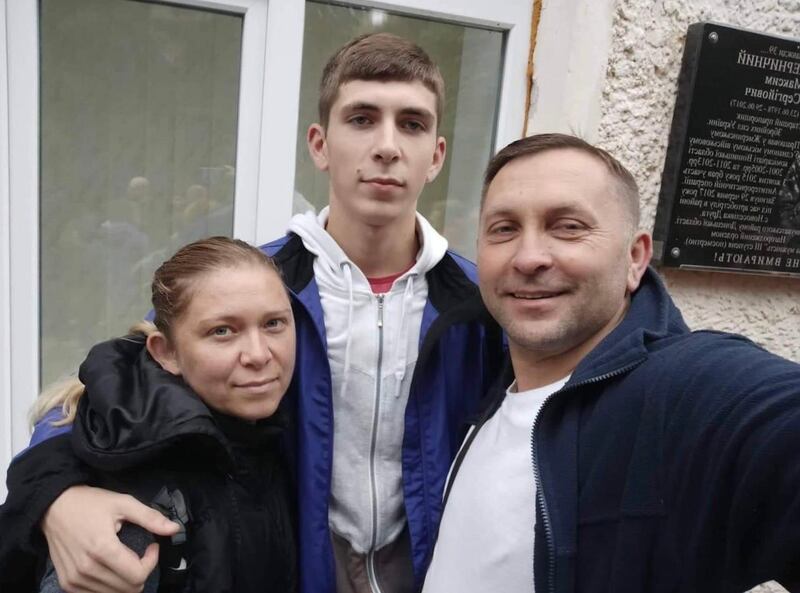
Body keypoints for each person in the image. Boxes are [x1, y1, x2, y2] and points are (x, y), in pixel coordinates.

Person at [0, 34, 503, 593]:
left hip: (432, 571)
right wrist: (58, 497)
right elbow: (104, 394)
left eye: (411, 124)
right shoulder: (254, 285)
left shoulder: (481, 301)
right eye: (362, 119)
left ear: (436, 155)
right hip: (296, 568)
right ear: (320, 144)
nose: (387, 146)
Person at [422, 133, 800, 593]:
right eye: (504, 229)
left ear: (635, 258)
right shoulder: (493, 386)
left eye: (568, 227)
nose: (529, 258)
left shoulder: (681, 393)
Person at [3, 236, 297, 592]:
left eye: (273, 324)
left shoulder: (265, 438)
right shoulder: (133, 503)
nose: (259, 354)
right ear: (166, 353)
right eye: (222, 331)